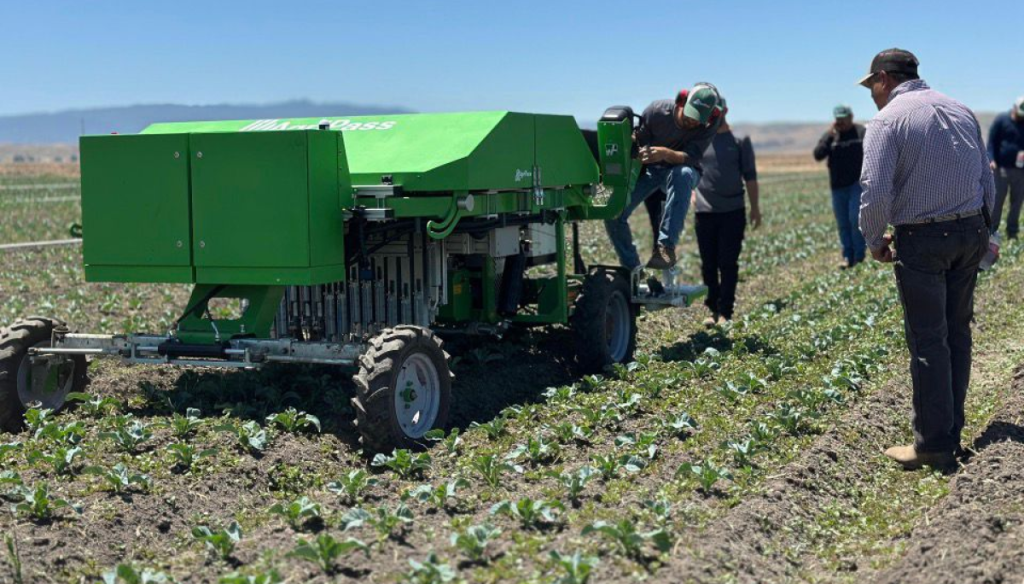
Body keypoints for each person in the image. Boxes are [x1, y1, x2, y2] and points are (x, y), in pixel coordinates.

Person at [858, 48, 995, 470]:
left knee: (929, 340)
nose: (872, 96)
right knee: (958, 333)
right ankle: (950, 431)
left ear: (883, 78)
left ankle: (934, 444)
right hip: (970, 231)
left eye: (871, 87)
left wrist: (873, 238)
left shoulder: (887, 121)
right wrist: (986, 230)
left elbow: (875, 191)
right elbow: (985, 175)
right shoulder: (960, 110)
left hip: (923, 239)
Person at [605, 84, 723, 271]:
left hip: (685, 171)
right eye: (690, 115)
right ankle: (632, 270)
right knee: (613, 212)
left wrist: (665, 153)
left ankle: (665, 248)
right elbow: (638, 140)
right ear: (682, 101)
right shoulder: (656, 112)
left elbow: (691, 157)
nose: (693, 123)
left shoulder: (709, 125)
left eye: (699, 120)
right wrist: (638, 148)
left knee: (681, 173)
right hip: (652, 171)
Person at [689, 98, 761, 326]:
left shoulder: (740, 141)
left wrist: (755, 208)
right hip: (705, 212)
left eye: (716, 112)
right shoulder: (700, 140)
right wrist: (692, 193)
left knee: (728, 263)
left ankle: (725, 312)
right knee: (708, 264)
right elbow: (690, 169)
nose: (712, 116)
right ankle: (712, 310)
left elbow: (750, 176)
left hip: (733, 211)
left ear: (725, 111)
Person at [814, 105, 867, 268]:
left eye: (843, 118)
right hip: (837, 187)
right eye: (838, 119)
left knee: (854, 218)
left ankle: (859, 255)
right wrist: (829, 137)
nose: (841, 122)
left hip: (856, 184)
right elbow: (818, 155)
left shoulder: (861, 132)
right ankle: (847, 257)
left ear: (851, 117)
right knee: (843, 223)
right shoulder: (831, 136)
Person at [986, 96, 1024, 239]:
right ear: (1014, 108)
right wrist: (991, 159)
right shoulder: (1001, 120)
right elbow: (991, 143)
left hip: (1020, 171)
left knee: (1017, 202)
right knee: (997, 201)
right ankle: (992, 231)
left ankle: (1012, 233)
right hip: (1001, 169)